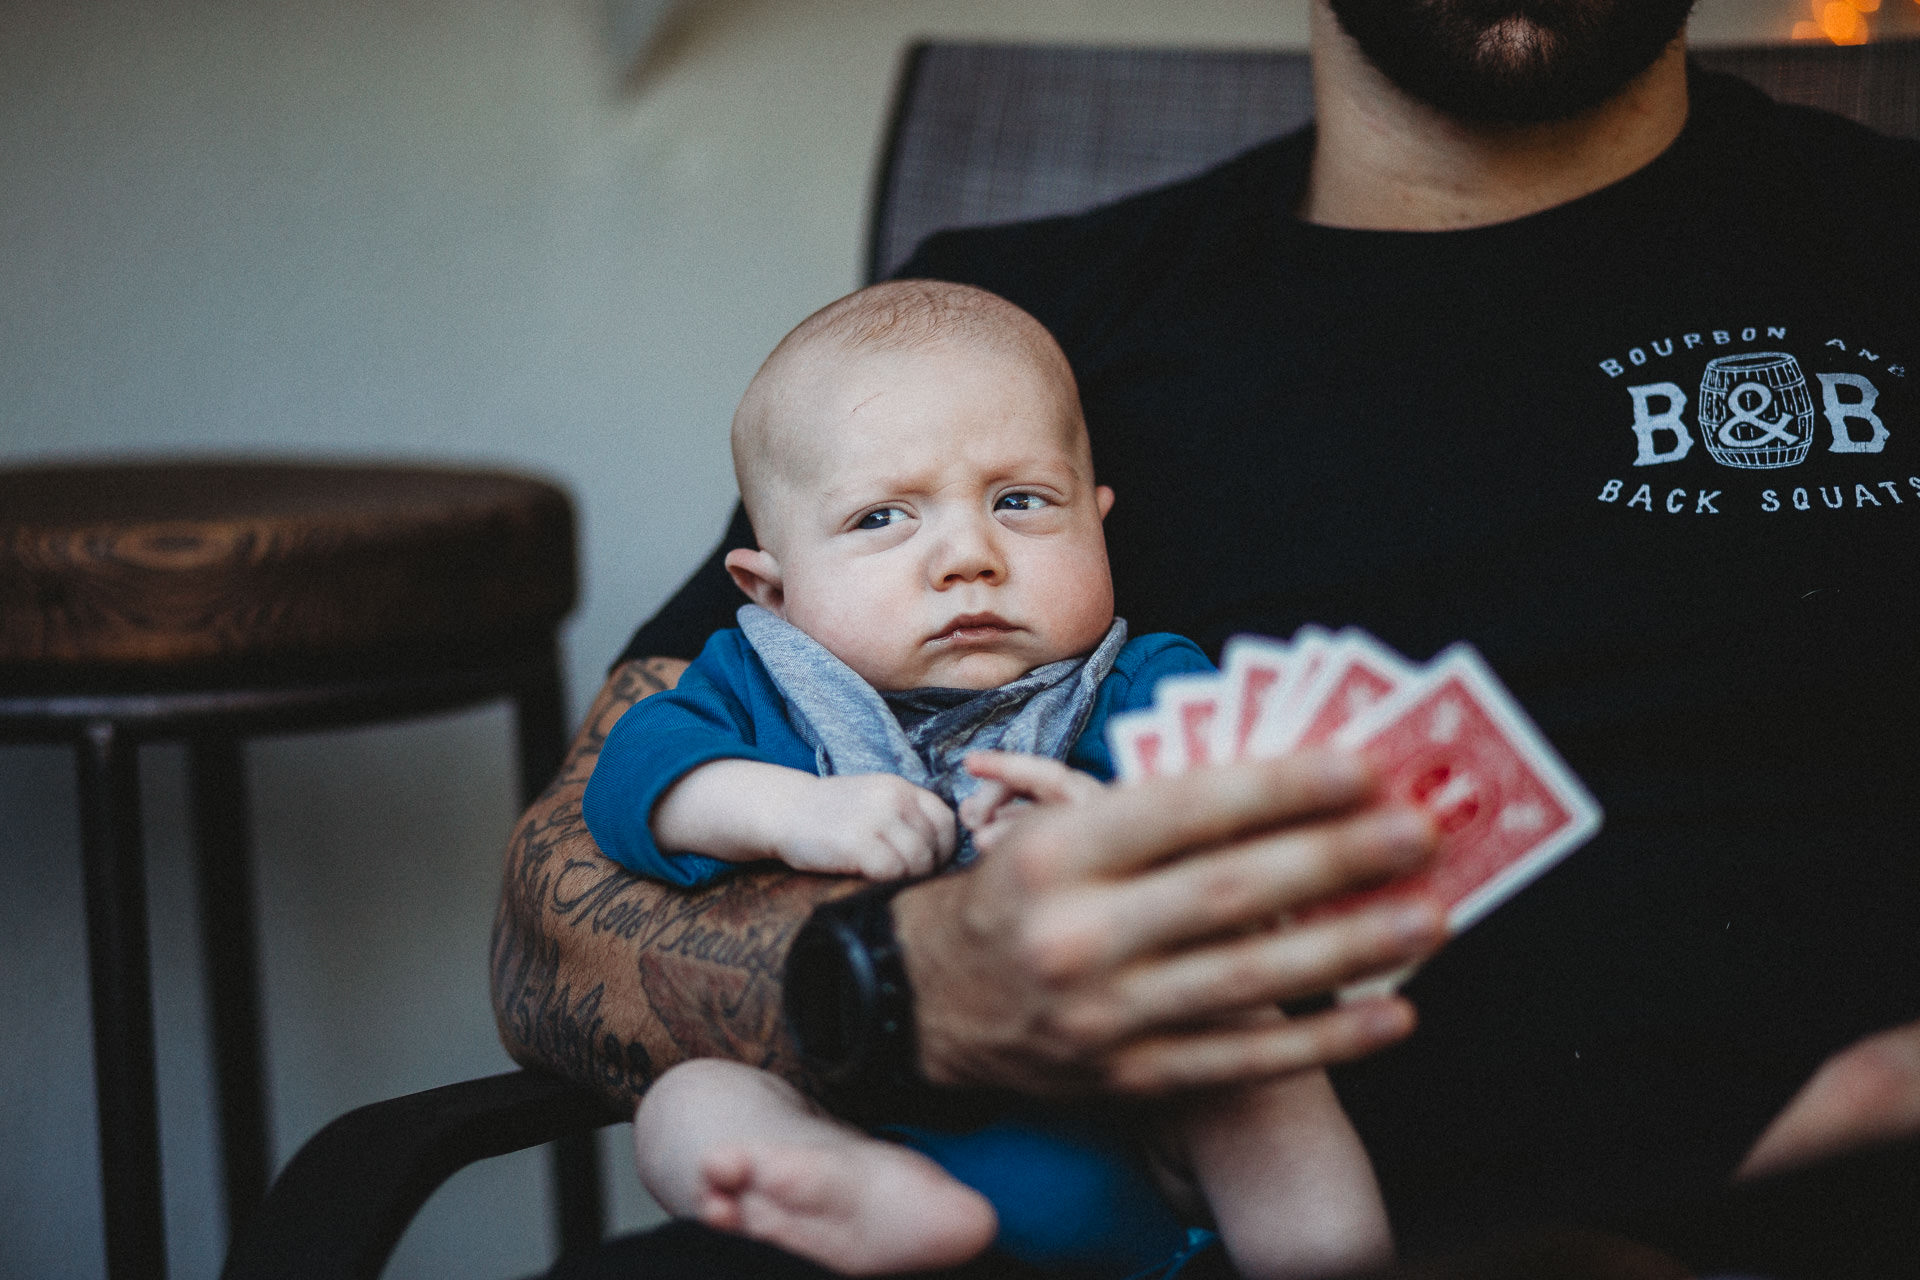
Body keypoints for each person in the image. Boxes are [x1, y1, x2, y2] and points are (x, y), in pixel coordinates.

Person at [493, 1, 1920, 1272]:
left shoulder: (1880, 236)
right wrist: (907, 975)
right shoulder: (1000, 353)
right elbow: (549, 913)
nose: (968, 547)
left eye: (1022, 509)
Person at [588, 279, 1397, 1280]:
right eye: (882, 517)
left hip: (1133, 1137)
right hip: (873, 1126)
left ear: (1098, 521)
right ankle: (864, 1195)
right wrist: (794, 808)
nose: (969, 555)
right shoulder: (756, 689)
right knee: (688, 1101)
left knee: (1252, 1048)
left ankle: (1332, 1255)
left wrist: (1113, 835)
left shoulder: (1150, 686)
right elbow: (628, 780)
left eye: (1021, 502)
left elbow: (1246, 840)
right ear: (773, 586)